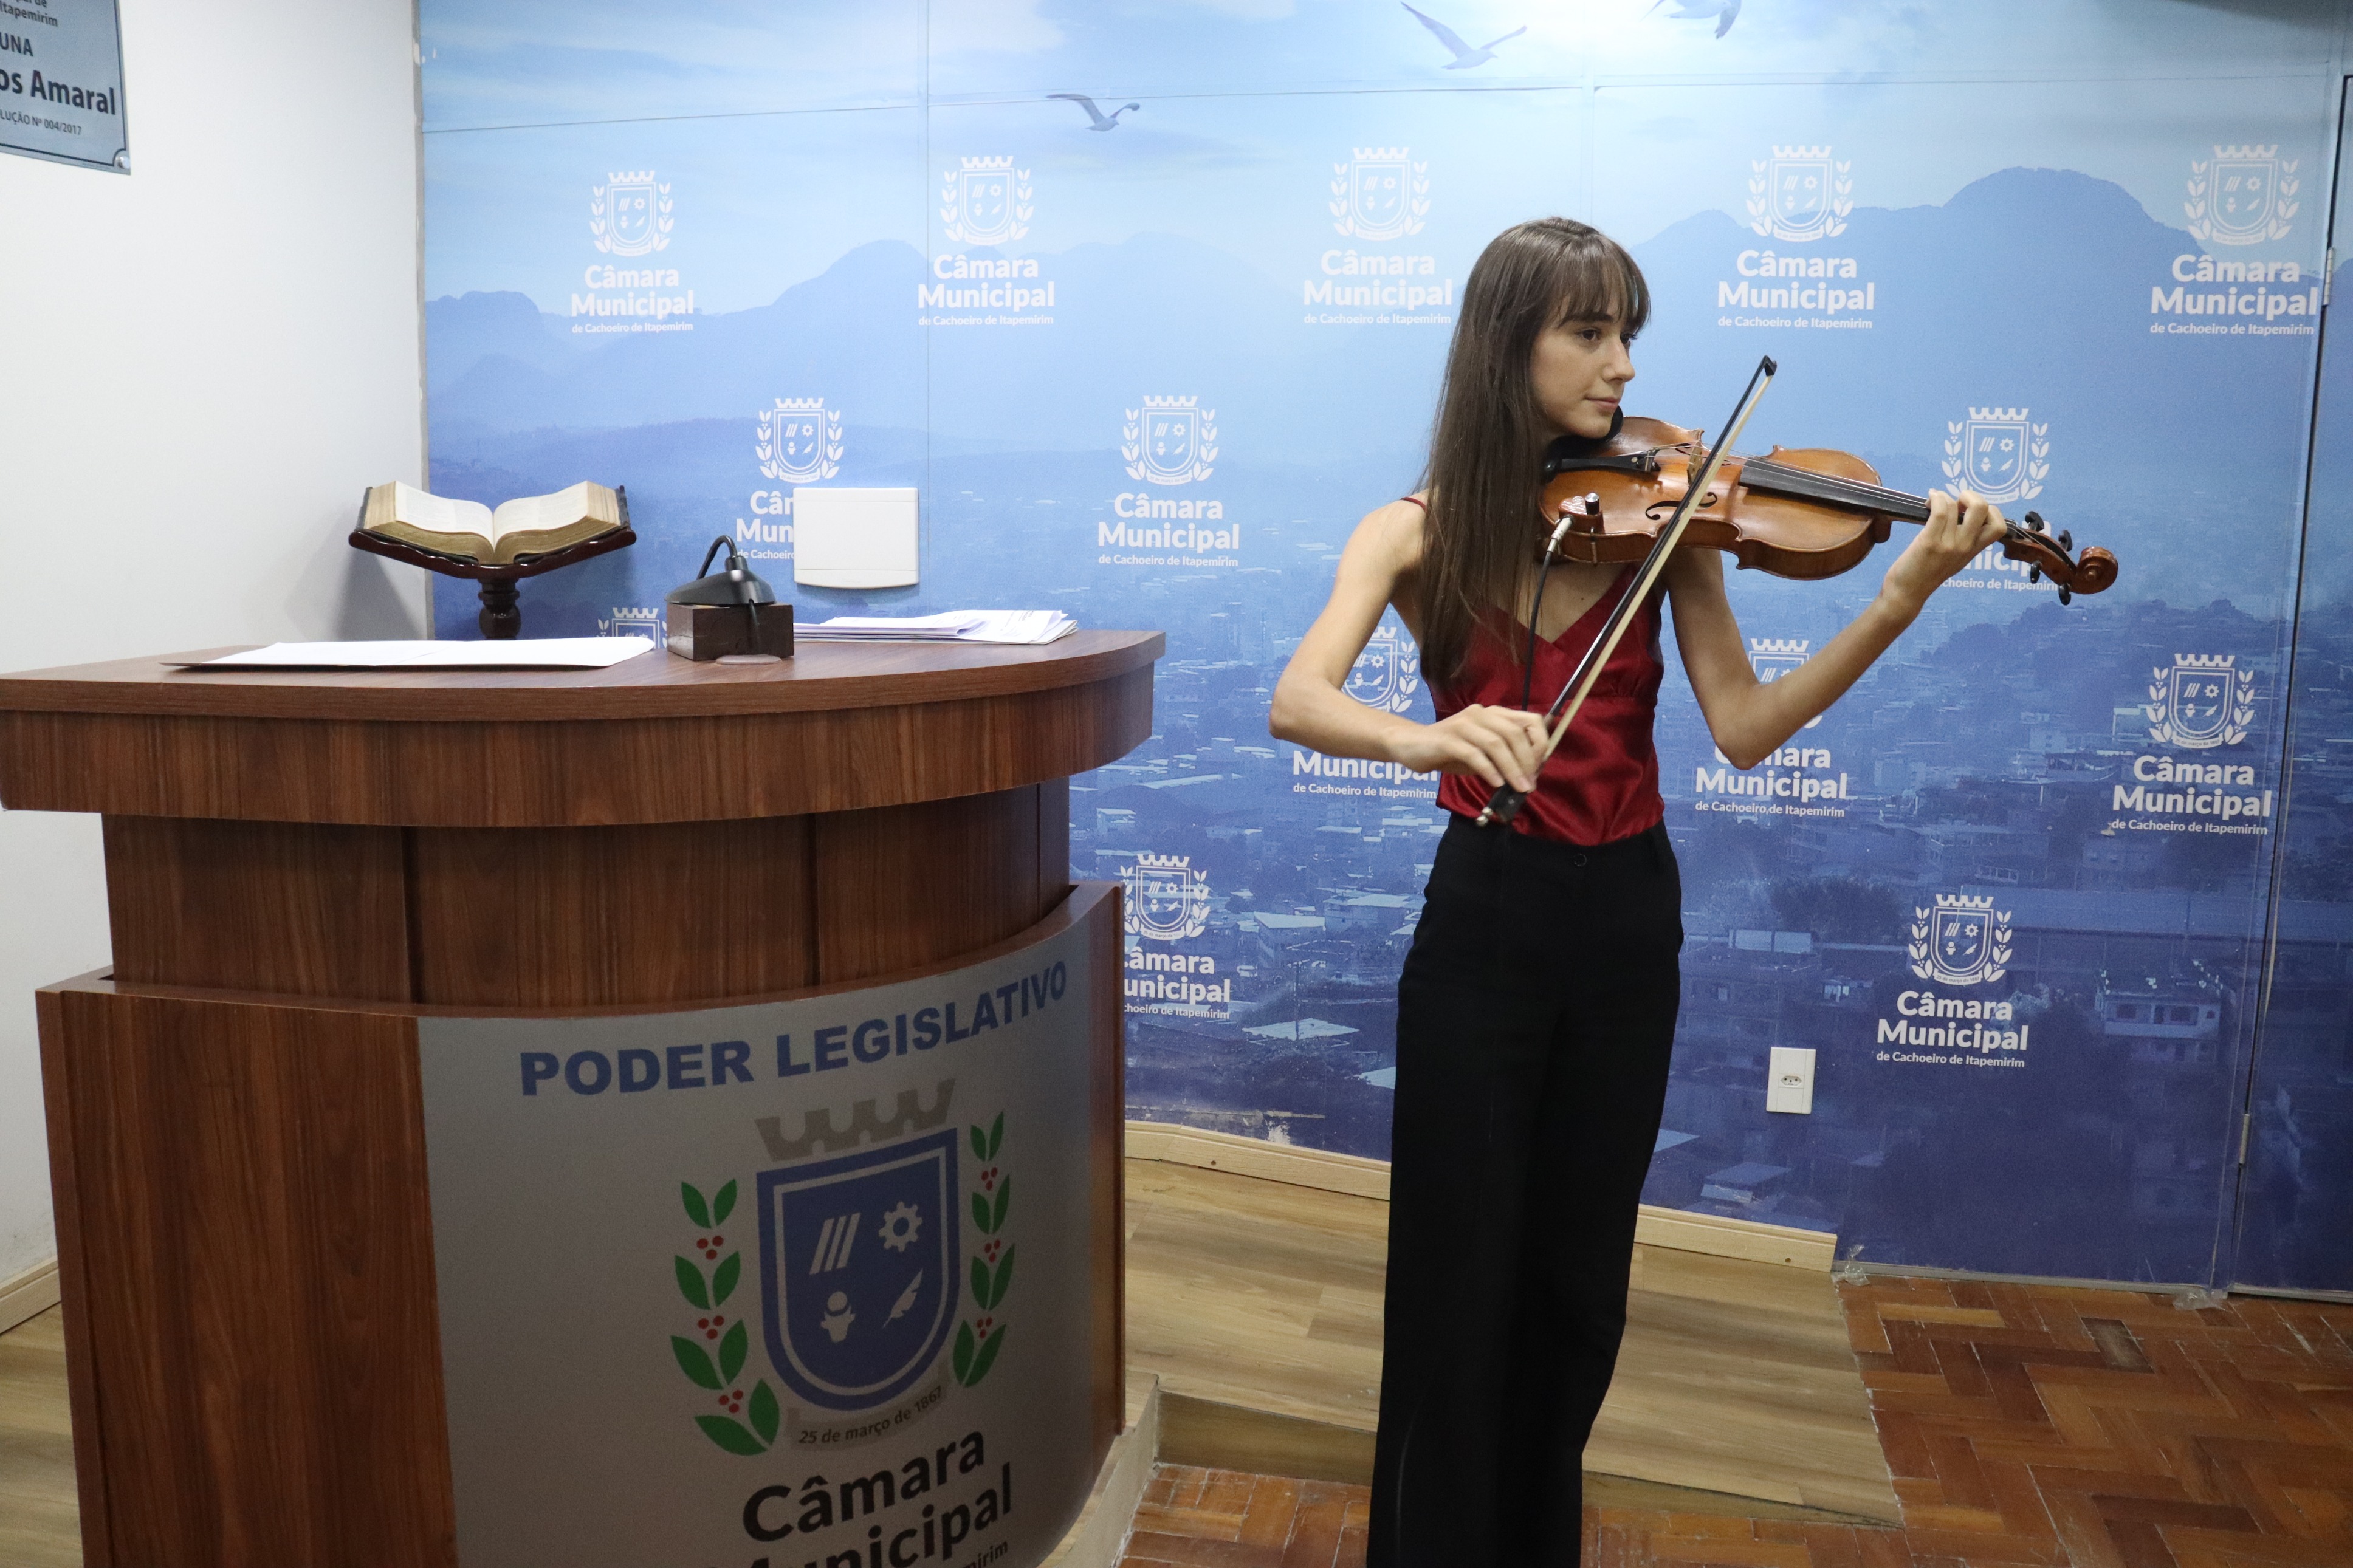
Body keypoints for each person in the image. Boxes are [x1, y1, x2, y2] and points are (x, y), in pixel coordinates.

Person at [1266, 216, 2008, 1567]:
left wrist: (1899, 594)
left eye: (1628, 335)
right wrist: (1429, 738)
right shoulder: (1408, 533)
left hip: (1625, 922)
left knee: (1576, 1286)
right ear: (1510, 348)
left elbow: (1745, 725)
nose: (1621, 366)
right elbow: (1298, 698)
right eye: (1590, 333)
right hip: (1484, 919)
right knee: (1453, 1279)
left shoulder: (1670, 527)